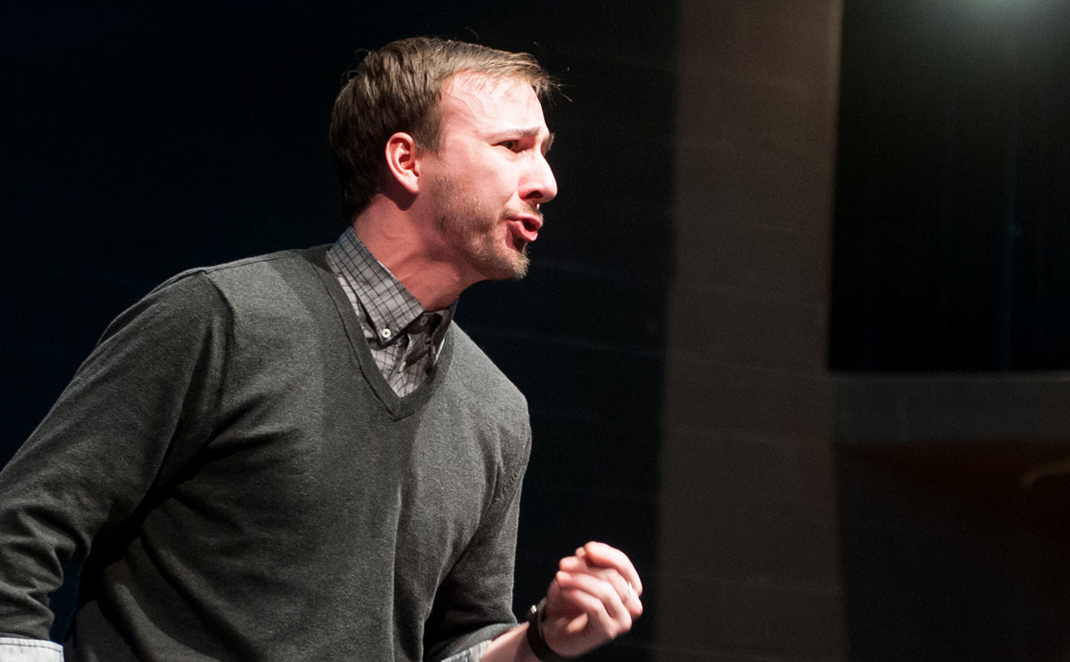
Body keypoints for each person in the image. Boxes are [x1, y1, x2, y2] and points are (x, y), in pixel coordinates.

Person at [0, 37, 642, 662]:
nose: (547, 182)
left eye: (545, 152)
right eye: (512, 147)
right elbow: (20, 528)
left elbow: (460, 640)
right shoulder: (222, 320)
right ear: (407, 160)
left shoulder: (496, 413)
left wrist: (541, 642)